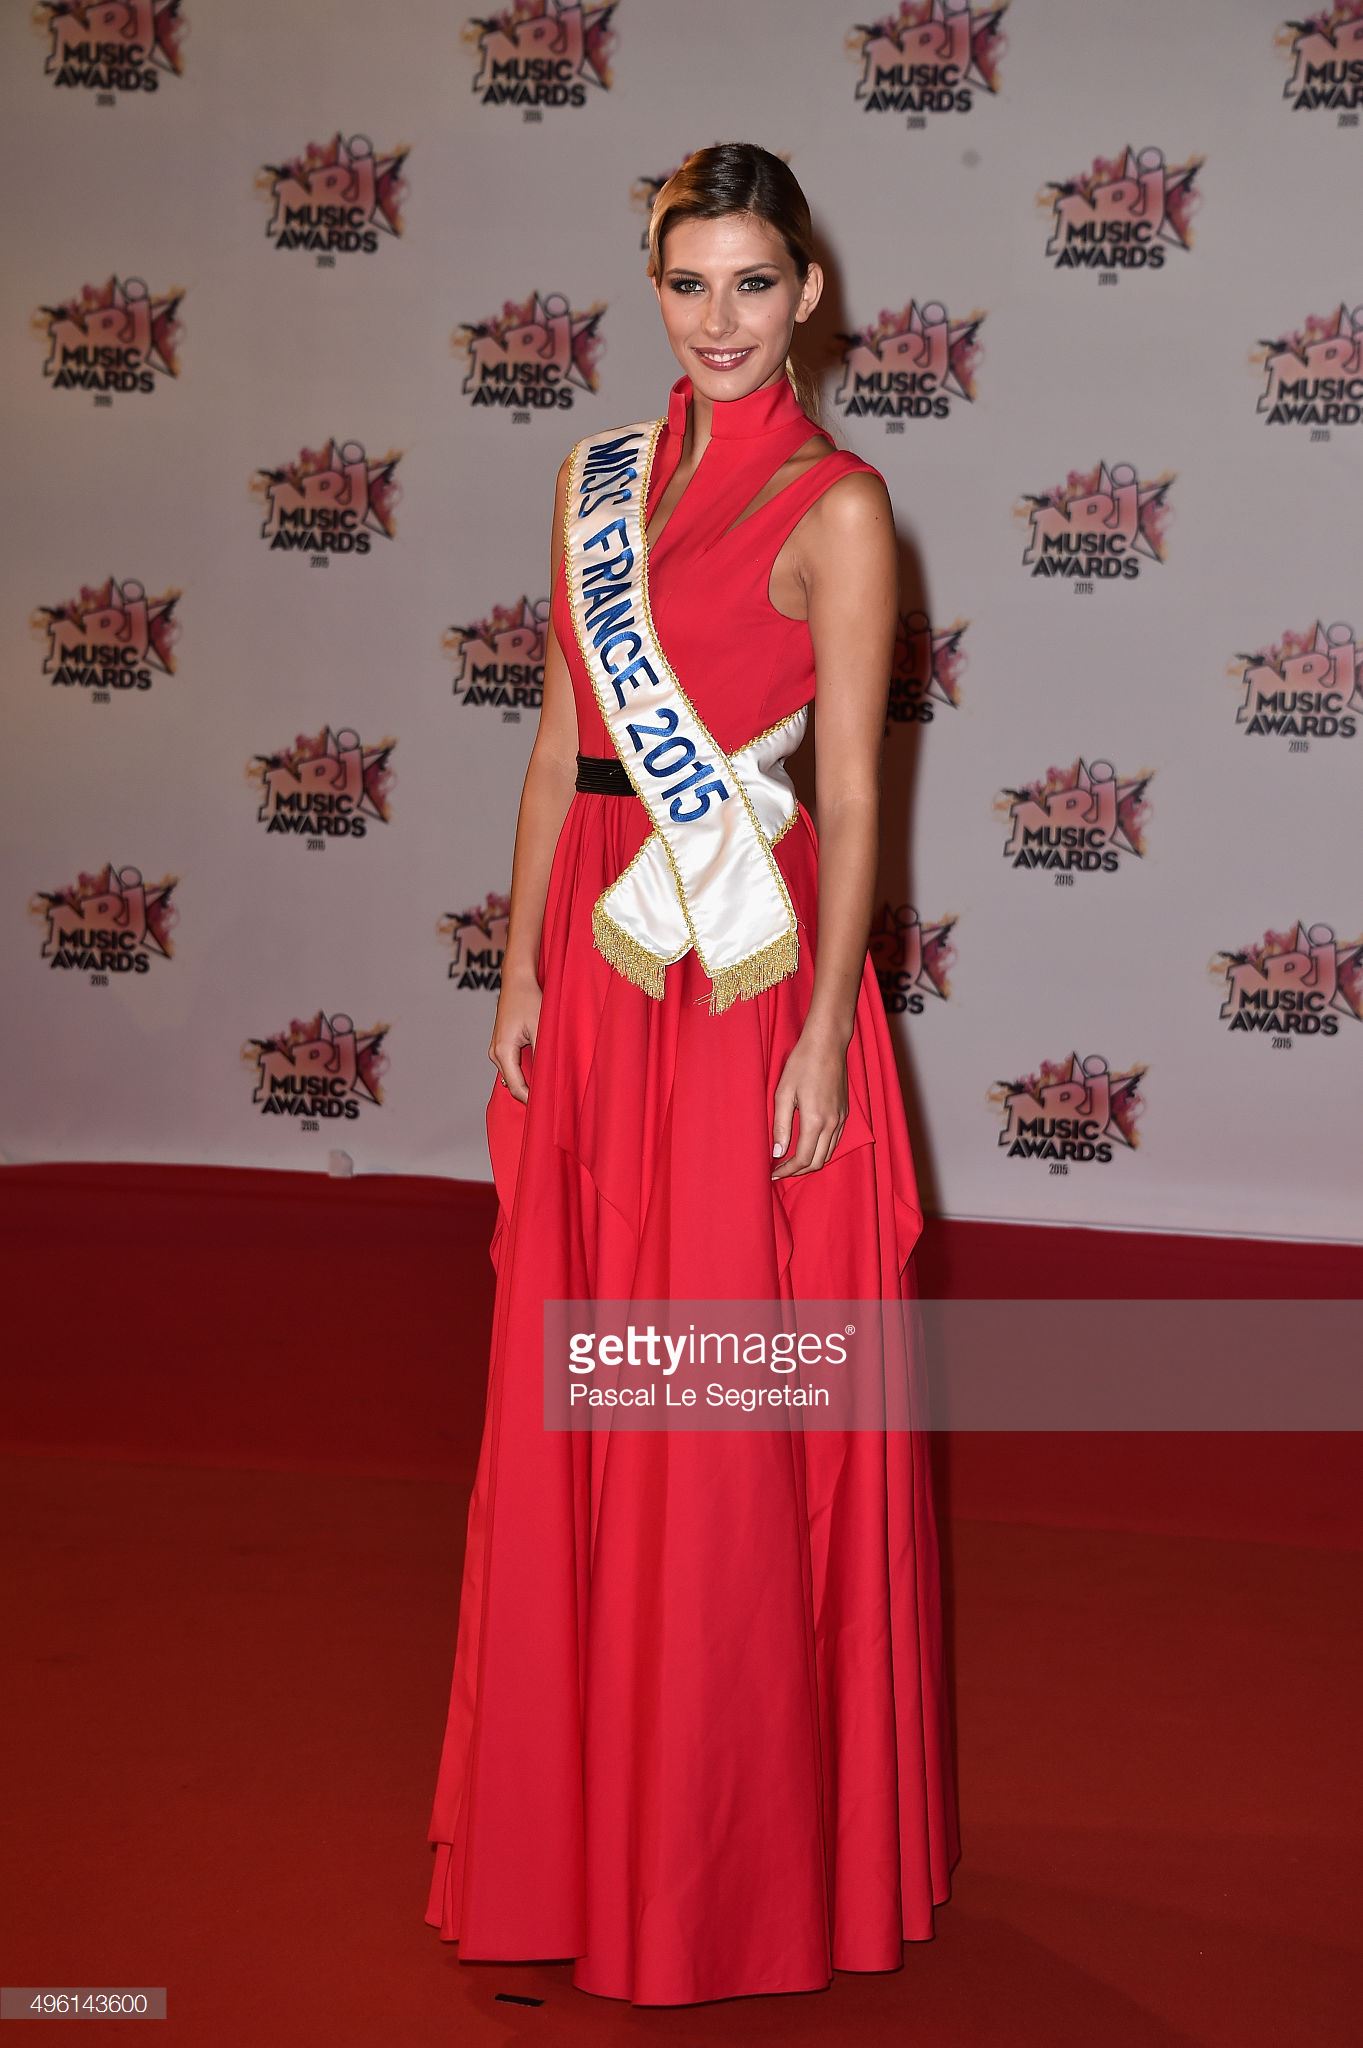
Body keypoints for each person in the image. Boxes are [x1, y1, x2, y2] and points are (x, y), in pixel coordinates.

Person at [425, 141, 960, 2007]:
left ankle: (717, 1860)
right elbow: (559, 735)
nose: (718, 320)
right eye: (687, 283)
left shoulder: (842, 506)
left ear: (807, 294)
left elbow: (859, 797)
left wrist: (824, 1026)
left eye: (752, 283)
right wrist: (516, 963)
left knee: (719, 1392)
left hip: (738, 970)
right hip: (599, 950)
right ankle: (578, 1831)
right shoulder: (595, 482)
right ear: (652, 287)